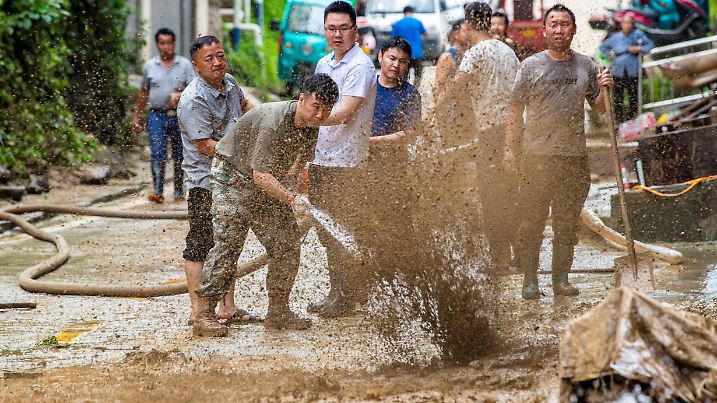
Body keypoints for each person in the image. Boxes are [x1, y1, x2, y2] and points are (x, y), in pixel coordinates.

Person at [191, 74, 340, 337]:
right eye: (316, 107)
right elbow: (260, 176)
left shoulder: (312, 126)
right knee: (229, 243)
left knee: (287, 242)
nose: (320, 115)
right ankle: (204, 314)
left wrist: (294, 189)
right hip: (233, 177)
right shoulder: (274, 121)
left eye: (326, 110)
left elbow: (298, 164)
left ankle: (278, 311)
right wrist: (292, 199)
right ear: (302, 98)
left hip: (266, 180)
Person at [504, 4, 613, 300]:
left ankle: (560, 280)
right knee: (532, 222)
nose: (559, 30)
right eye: (553, 24)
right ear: (544, 30)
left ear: (574, 30)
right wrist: (511, 150)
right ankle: (530, 280)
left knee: (566, 223)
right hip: (536, 158)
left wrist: (604, 88)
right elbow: (514, 111)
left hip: (573, 158)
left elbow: (599, 108)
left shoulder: (586, 66)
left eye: (565, 24)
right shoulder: (531, 66)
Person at [177, 35, 255, 326]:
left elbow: (248, 107)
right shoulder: (193, 99)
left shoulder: (231, 83)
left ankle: (227, 309)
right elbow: (205, 145)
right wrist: (243, 156)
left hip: (233, 177)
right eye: (208, 59)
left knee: (228, 242)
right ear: (197, 66)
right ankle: (199, 313)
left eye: (220, 55)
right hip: (205, 182)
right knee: (200, 244)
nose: (217, 62)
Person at [308, 0, 376, 318]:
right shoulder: (324, 65)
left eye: (343, 28)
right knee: (326, 233)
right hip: (322, 160)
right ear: (324, 30)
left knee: (344, 231)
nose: (337, 34)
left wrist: (307, 118)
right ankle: (340, 292)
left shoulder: (360, 66)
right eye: (332, 28)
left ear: (355, 29)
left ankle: (348, 296)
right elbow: (314, 105)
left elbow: (345, 111)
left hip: (348, 164)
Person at [450, 1, 521, 271]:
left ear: (468, 26)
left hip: (492, 134)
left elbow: (456, 88)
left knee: (491, 197)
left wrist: (433, 111)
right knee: (512, 193)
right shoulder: (507, 51)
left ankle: (498, 259)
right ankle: (519, 256)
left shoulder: (474, 53)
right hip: (515, 130)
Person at [366, 36, 422, 277]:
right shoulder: (365, 88)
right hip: (360, 167)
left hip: (394, 169)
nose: (396, 65)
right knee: (366, 223)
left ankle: (404, 275)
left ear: (407, 65)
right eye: (392, 58)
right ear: (380, 57)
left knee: (399, 224)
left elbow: (410, 134)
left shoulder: (410, 94)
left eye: (402, 61)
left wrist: (371, 143)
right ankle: (371, 275)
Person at [132, 28, 195, 203]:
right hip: (156, 116)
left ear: (174, 44)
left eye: (169, 43)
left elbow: (196, 90)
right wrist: (136, 116)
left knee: (179, 153)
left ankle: (178, 191)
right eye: (162, 43)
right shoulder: (150, 66)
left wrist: (180, 95)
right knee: (157, 152)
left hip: (179, 116)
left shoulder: (185, 65)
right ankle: (158, 192)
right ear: (157, 45)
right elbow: (143, 92)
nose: (166, 47)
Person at [599, 15, 654, 123]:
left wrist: (639, 48)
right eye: (625, 23)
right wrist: (609, 54)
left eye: (629, 23)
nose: (627, 25)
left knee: (633, 96)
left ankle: (631, 120)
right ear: (621, 24)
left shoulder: (638, 35)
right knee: (617, 97)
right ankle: (619, 121)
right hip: (617, 71)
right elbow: (602, 47)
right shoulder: (616, 37)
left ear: (633, 24)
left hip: (633, 70)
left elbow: (650, 45)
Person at [432, 19, 468, 107]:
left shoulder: (468, 54)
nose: (469, 34)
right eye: (465, 31)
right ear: (455, 34)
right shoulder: (447, 57)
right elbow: (438, 88)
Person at [390, 6, 427, 86]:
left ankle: (405, 92)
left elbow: (393, 38)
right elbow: (425, 34)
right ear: (412, 12)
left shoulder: (397, 24)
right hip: (417, 53)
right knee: (418, 75)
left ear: (403, 13)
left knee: (404, 75)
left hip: (404, 54)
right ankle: (415, 90)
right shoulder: (417, 22)